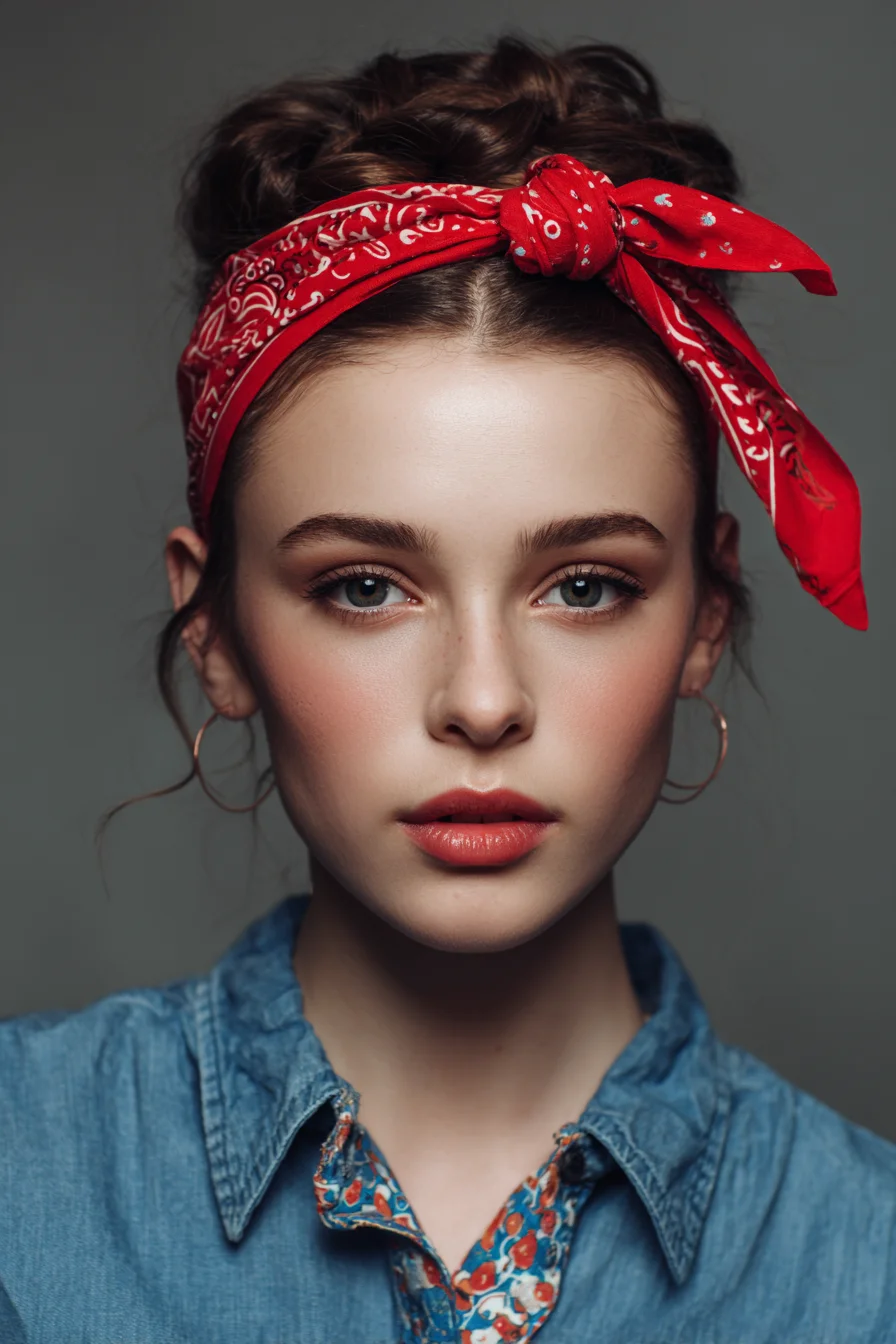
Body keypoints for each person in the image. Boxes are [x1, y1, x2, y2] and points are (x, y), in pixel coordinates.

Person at [0, 33, 892, 1344]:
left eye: (585, 586)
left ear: (707, 614)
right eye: (364, 586)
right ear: (218, 632)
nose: (483, 701)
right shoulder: (23, 1189)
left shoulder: (866, 1269)